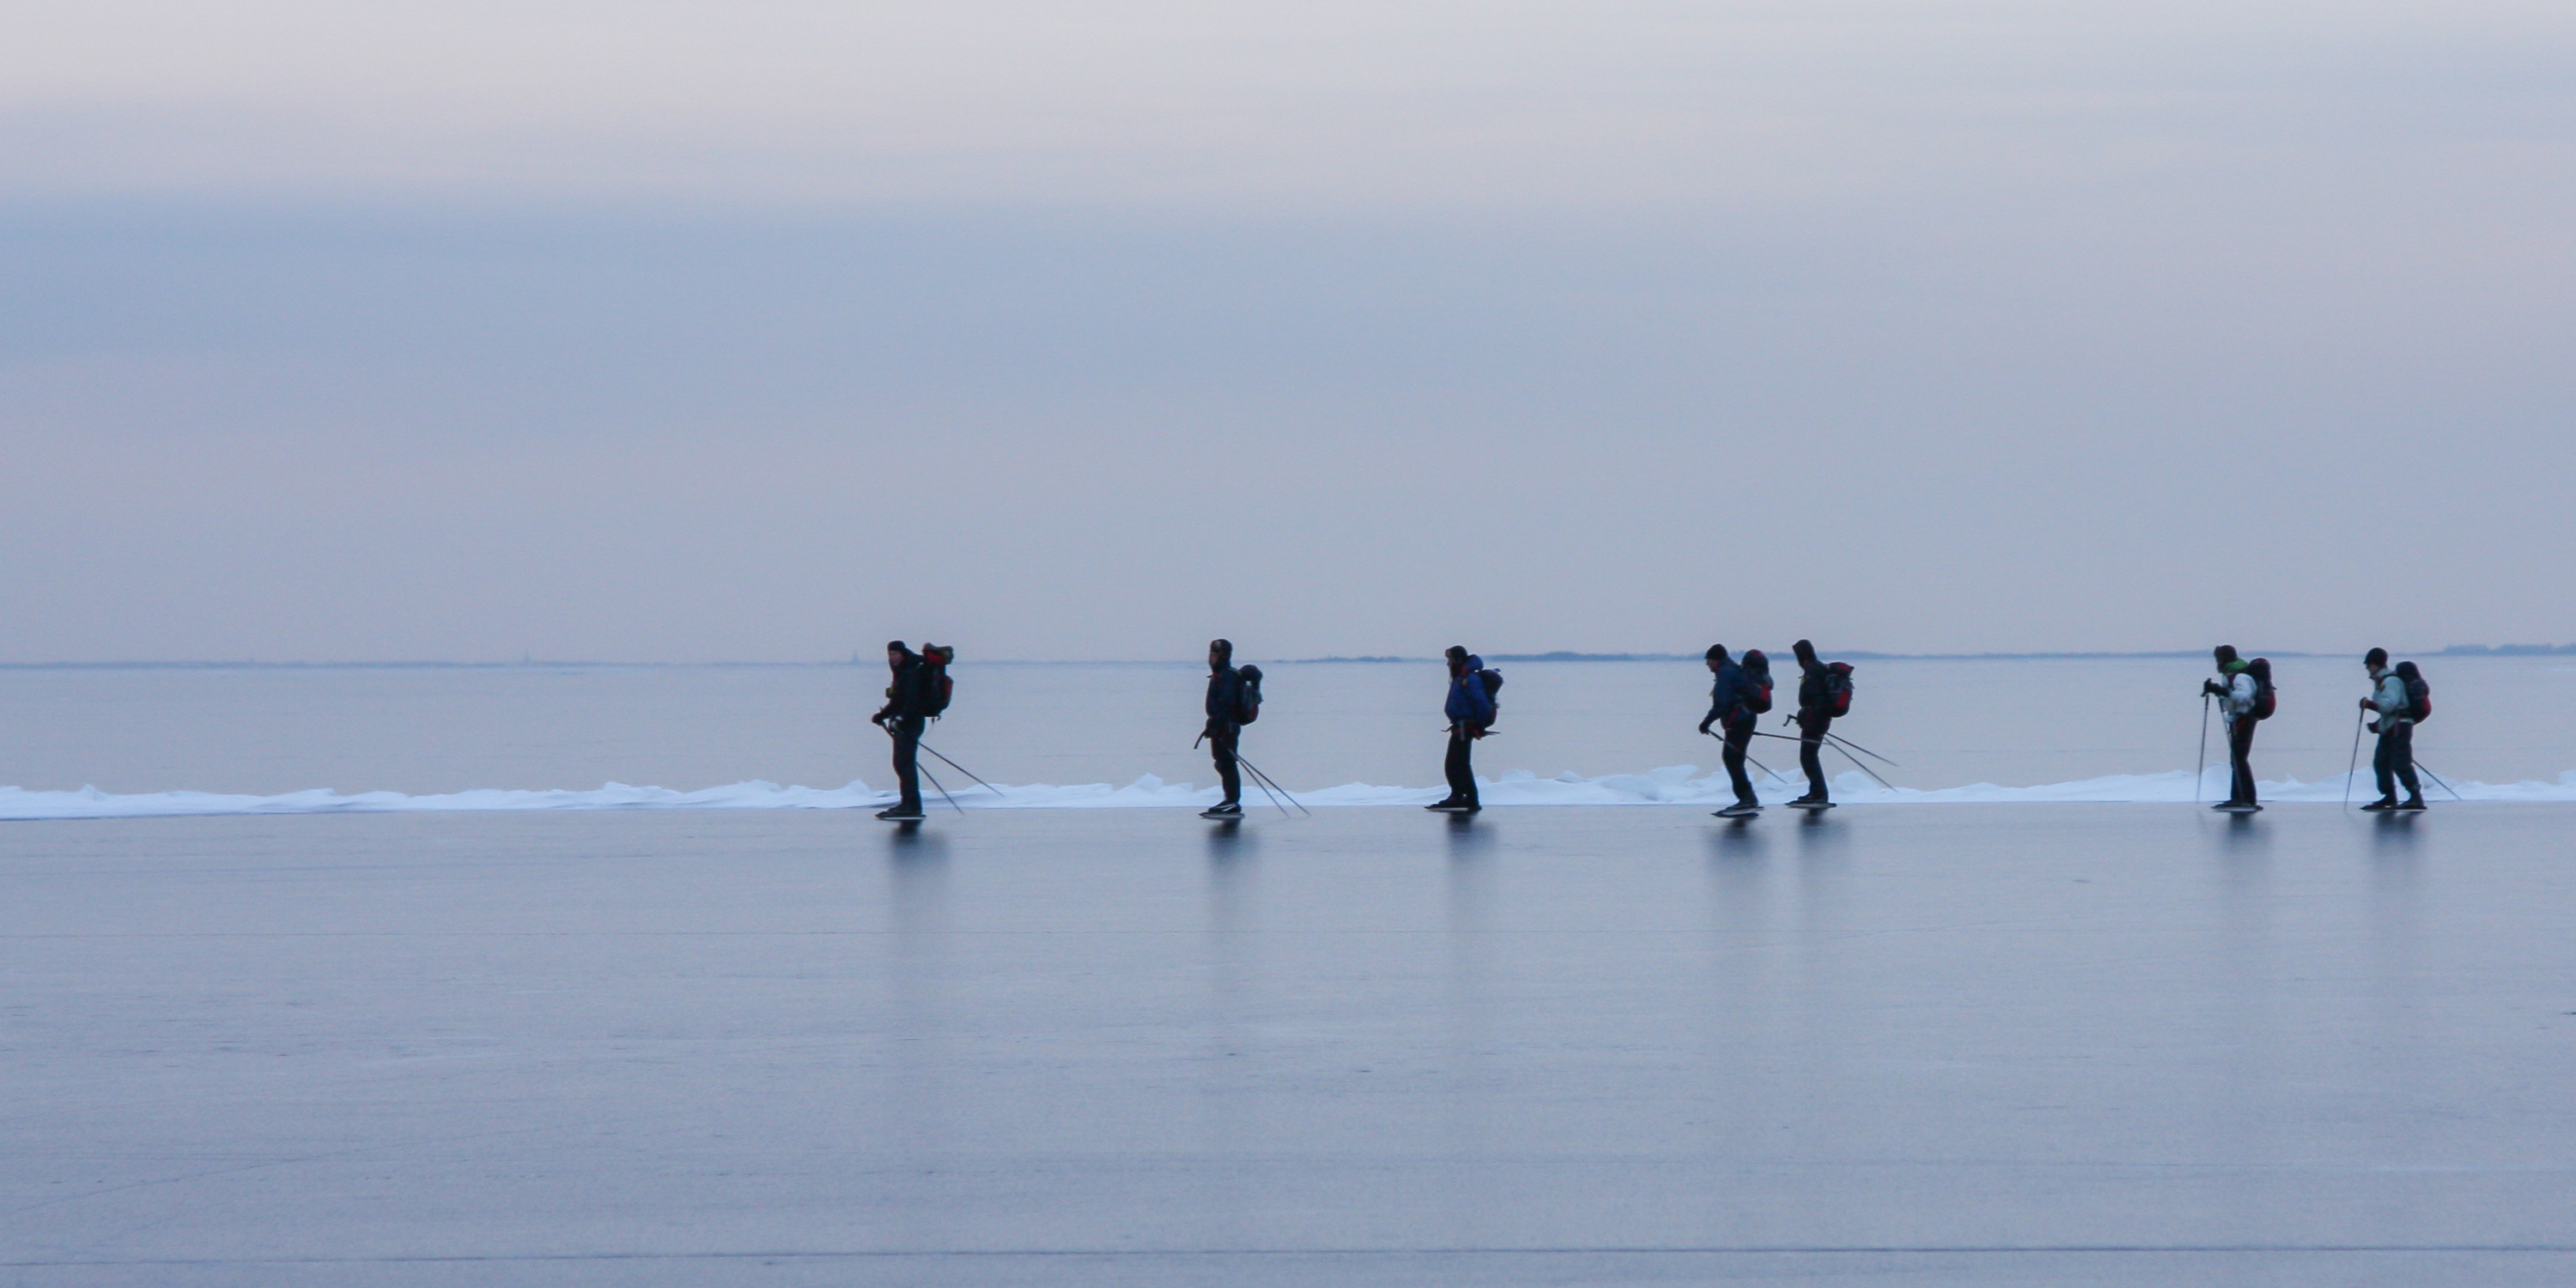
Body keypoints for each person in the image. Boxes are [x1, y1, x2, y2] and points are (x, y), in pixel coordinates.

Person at [1699, 645, 1764, 814]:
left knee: (1731, 758)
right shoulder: (1733, 670)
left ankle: (1746, 799)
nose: (1707, 664)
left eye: (1708, 660)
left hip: (1740, 721)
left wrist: (1706, 723)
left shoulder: (1725, 673)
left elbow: (1721, 704)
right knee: (1735, 759)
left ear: (1715, 660)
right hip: (1746, 719)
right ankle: (1748, 798)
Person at [869, 641, 930, 820]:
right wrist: (883, 716)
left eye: (896, 654)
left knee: (904, 764)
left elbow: (910, 701)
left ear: (903, 654)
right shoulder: (902, 672)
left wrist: (901, 720)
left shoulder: (910, 672)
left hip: (911, 723)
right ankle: (908, 803)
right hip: (905, 723)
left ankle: (912, 806)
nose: (893, 658)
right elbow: (897, 701)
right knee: (902, 764)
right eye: (891, 654)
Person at [1430, 646, 1494, 812]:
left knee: (1457, 764)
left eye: (1450, 660)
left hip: (1467, 726)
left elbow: (1481, 703)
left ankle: (1463, 797)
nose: (1448, 664)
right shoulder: (1461, 677)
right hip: (1461, 726)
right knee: (1457, 763)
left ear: (1457, 660)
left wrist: (1479, 724)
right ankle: (1464, 797)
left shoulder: (1470, 679)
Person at [2360, 648, 2425, 812]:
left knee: (2400, 762)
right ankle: (2389, 797)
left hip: (2400, 727)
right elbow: (2389, 711)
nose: (2367, 668)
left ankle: (2416, 796)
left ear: (2375, 664)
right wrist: (2377, 726)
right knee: (2381, 763)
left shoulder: (2390, 681)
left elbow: (2389, 705)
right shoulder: (2382, 682)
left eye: (2368, 664)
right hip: (2390, 728)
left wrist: (2370, 705)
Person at [2202, 644, 2260, 810]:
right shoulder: (2231, 675)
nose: (2217, 662)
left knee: (2239, 758)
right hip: (2239, 719)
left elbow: (2244, 696)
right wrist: (2217, 690)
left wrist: (2225, 692)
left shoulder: (2240, 676)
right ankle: (2240, 797)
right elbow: (2232, 695)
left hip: (2245, 719)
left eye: (2218, 658)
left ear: (2223, 659)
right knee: (2237, 759)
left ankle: (2245, 799)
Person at [1201, 639, 1247, 817]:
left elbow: (1226, 704)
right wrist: (1211, 724)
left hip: (1227, 727)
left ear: (1224, 656)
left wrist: (1218, 724)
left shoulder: (1227, 676)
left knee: (1227, 762)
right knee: (1222, 761)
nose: (1210, 658)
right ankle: (1230, 799)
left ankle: (1232, 801)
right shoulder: (1219, 675)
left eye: (1214, 655)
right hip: (1221, 726)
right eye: (1210, 654)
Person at [1787, 639, 1834, 805]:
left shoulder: (1812, 670)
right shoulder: (1817, 667)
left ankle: (1820, 795)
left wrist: (1807, 715)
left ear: (1803, 655)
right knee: (1809, 756)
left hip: (1816, 720)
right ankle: (1815, 792)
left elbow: (1816, 699)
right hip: (1818, 719)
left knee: (1808, 757)